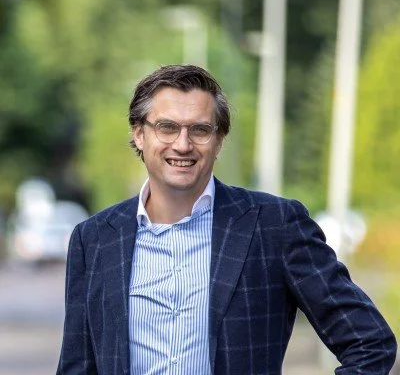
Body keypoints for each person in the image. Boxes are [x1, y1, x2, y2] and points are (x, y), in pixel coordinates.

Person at [57, 64, 397, 375]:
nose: (183, 144)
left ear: (219, 140)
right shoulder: (95, 239)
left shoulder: (274, 226)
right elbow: (77, 368)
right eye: (167, 127)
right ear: (139, 134)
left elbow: (370, 343)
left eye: (200, 130)